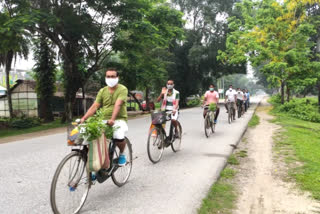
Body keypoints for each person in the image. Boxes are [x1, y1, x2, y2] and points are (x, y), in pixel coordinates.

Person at [81, 68, 128, 166]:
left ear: (117, 77)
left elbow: (118, 104)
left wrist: (113, 119)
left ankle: (122, 153)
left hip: (119, 119)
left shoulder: (122, 89)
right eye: (108, 76)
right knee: (90, 137)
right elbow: (95, 106)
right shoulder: (102, 91)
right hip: (103, 119)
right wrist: (84, 118)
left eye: (113, 76)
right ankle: (96, 163)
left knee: (118, 136)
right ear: (105, 78)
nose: (110, 78)